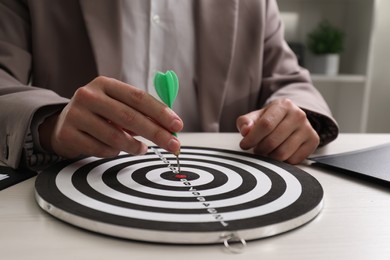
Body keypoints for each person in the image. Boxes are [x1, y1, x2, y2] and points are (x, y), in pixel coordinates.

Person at [0, 0, 338, 170]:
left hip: (229, 207)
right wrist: (49, 122)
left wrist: (294, 117)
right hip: (76, 194)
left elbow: (290, 80)